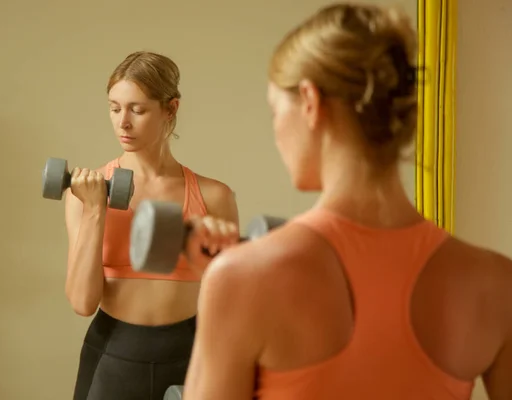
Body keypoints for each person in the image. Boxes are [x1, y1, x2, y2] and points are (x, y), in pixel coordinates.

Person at [182, 3, 512, 400]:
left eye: (275, 111)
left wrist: (228, 291)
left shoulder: (238, 279)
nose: (276, 133)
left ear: (309, 101)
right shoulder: (497, 283)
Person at [64, 51, 239, 400]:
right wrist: (97, 210)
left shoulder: (214, 197)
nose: (122, 122)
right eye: (115, 108)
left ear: (171, 108)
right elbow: (83, 303)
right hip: (113, 356)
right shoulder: (85, 192)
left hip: (191, 354)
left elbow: (229, 303)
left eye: (138, 109)